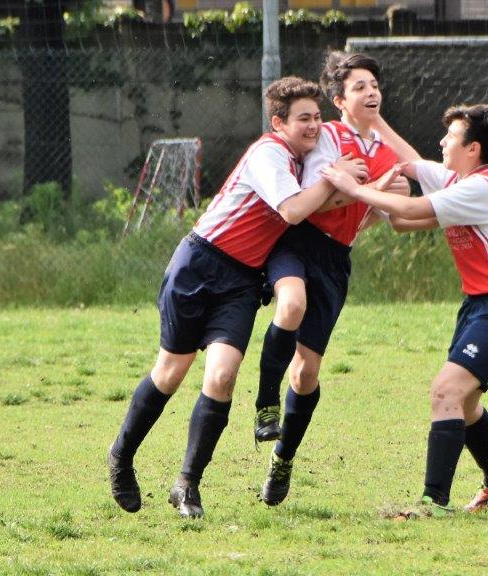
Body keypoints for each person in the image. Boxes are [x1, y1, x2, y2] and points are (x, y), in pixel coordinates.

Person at [106, 76, 367, 519]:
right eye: (304, 118)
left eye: (318, 117)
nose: (315, 126)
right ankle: (121, 457)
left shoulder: (303, 163)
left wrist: (367, 190)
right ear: (278, 122)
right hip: (199, 264)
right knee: (170, 372)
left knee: (223, 377)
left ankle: (187, 484)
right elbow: (292, 210)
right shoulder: (268, 154)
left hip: (244, 281)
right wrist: (334, 178)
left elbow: (319, 205)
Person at [321, 103, 488, 516]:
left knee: (446, 392)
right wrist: (373, 120)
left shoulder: (480, 188)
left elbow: (411, 210)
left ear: (473, 149)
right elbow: (408, 174)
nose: (441, 142)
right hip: (479, 306)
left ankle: (433, 502)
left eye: (450, 137)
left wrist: (349, 186)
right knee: (465, 403)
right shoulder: (458, 179)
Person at [253, 51, 404, 507]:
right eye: (360, 86)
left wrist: (386, 202)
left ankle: (283, 458)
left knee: (307, 373)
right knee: (290, 304)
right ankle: (264, 404)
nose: (371, 92)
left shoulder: (387, 153)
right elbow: (315, 197)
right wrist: (369, 191)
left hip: (337, 259)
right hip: (298, 242)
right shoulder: (331, 135)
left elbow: (366, 213)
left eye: (374, 84)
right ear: (340, 100)